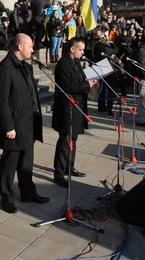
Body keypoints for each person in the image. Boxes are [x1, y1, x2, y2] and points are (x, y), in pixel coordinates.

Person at [0, 33, 49, 213]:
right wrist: (8, 126)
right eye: (31, 46)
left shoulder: (26, 67)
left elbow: (31, 94)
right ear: (20, 47)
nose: (33, 50)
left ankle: (28, 192)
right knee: (10, 162)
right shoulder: (5, 68)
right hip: (14, 125)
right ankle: (7, 196)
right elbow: (1, 101)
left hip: (28, 122)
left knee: (27, 162)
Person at [52, 37, 95, 187]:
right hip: (66, 109)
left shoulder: (76, 63)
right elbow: (66, 87)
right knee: (65, 142)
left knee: (73, 141)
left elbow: (79, 81)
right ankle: (58, 173)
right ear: (72, 49)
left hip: (76, 107)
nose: (83, 52)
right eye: (81, 49)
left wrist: (90, 79)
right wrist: (86, 85)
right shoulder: (63, 64)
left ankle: (69, 167)